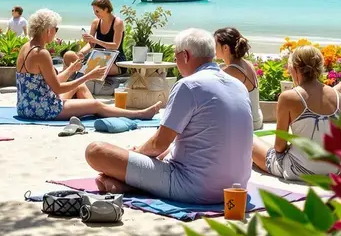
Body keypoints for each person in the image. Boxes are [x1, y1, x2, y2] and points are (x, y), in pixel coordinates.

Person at [84, 28, 254, 204]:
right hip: (237, 188)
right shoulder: (238, 86)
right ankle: (129, 184)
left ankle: (133, 184)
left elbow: (158, 144)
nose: (175, 60)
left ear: (185, 56)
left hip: (196, 188)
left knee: (96, 151)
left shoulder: (188, 85)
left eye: (175, 56)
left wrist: (136, 153)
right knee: (166, 151)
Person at [15, 9, 162, 121]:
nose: (56, 33)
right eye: (56, 29)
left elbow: (50, 82)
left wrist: (70, 70)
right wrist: (88, 76)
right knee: (96, 105)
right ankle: (139, 114)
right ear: (48, 30)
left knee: (80, 88)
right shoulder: (41, 53)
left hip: (25, 106)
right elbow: (58, 88)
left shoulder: (26, 47)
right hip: (41, 109)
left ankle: (99, 110)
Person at [252, 45, 341, 181]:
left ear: (294, 68)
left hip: (300, 170)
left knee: (250, 140)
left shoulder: (289, 97)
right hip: (333, 170)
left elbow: (279, 147)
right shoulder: (337, 96)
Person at [216, 27, 263, 130]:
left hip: (250, 123)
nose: (212, 47)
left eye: (215, 44)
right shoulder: (247, 63)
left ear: (225, 48)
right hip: (257, 117)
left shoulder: (231, 71)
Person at [69, 0, 124, 75]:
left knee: (96, 67)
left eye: (97, 11)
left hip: (115, 60)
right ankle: (71, 80)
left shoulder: (117, 22)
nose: (95, 13)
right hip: (98, 58)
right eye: (94, 11)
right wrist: (82, 52)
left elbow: (115, 46)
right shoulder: (96, 22)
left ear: (106, 9)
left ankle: (80, 75)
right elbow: (91, 44)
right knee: (69, 56)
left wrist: (95, 40)